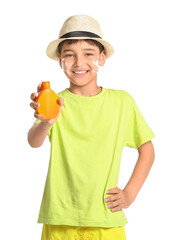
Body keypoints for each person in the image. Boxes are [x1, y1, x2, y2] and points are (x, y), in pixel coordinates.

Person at [28, 15, 155, 240]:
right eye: (69, 55)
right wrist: (47, 121)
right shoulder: (55, 103)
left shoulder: (121, 102)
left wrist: (130, 193)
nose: (79, 63)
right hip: (60, 218)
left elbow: (147, 150)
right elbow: (33, 141)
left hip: (106, 217)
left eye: (88, 54)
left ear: (102, 58)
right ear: (60, 60)